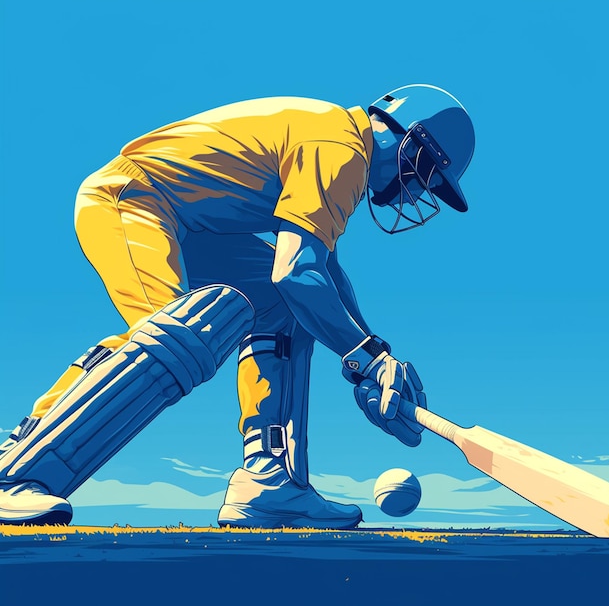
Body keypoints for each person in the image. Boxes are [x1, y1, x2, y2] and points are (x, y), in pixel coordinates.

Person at [0, 84, 475, 528]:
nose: (420, 190)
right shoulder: (341, 148)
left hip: (192, 224)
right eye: (428, 172)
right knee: (180, 335)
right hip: (134, 199)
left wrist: (376, 359)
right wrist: (365, 355)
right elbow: (295, 271)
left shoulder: (339, 144)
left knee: (285, 310)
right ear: (403, 132)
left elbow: (323, 271)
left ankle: (272, 485)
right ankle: (18, 468)